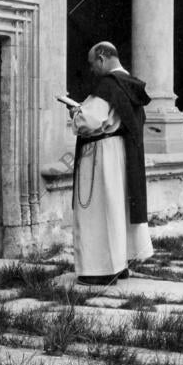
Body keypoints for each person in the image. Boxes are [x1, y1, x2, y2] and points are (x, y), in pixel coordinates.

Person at [69, 41, 153, 286]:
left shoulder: (108, 85)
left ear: (103, 58)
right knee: (116, 209)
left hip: (101, 153)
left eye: (92, 63)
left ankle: (100, 269)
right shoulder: (131, 84)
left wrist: (75, 115)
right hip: (121, 152)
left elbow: (90, 121)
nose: (92, 69)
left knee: (98, 211)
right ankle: (119, 264)